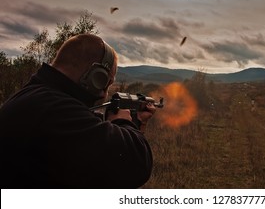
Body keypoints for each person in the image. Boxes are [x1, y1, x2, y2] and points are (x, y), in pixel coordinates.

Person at [0, 34, 156, 188]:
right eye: (106, 82)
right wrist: (122, 121)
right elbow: (135, 166)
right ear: (95, 75)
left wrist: (135, 123)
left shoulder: (38, 97)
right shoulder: (54, 110)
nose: (104, 93)